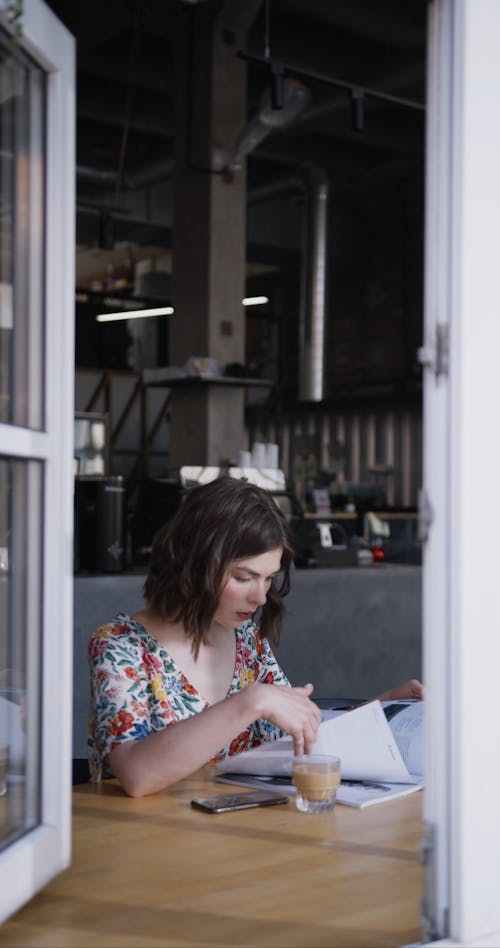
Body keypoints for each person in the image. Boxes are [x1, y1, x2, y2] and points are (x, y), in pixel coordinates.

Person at [88, 476, 423, 798]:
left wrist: (384, 706)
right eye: (244, 577)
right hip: (145, 841)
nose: (260, 598)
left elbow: (294, 733)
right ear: (193, 564)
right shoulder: (121, 646)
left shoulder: (246, 639)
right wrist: (251, 701)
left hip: (242, 839)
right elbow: (136, 774)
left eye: (268, 579)